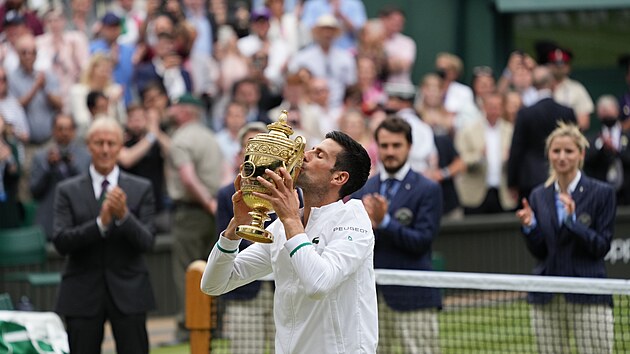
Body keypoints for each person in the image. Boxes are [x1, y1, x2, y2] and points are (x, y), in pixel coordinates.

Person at [201, 131, 377, 353]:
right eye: (312, 149)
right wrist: (234, 229)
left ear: (339, 178)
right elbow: (213, 284)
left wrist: (291, 220)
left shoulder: (353, 218)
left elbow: (319, 284)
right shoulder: (283, 226)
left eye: (319, 155)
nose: (305, 155)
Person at [52, 117, 156, 354]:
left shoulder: (141, 188)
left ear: (121, 146)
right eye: (99, 143)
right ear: (89, 145)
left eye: (111, 143)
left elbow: (147, 242)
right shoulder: (67, 190)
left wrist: (124, 217)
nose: (106, 149)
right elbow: (61, 242)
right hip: (81, 293)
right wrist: (100, 223)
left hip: (130, 292)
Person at [516, 123, 615, 354]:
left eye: (569, 151)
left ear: (581, 154)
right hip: (547, 295)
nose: (562, 157)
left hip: (589, 294)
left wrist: (573, 223)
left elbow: (600, 247)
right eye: (556, 151)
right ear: (549, 154)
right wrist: (531, 228)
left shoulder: (602, 193)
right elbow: (541, 251)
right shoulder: (539, 195)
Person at [352, 117, 442, 353]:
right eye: (384, 146)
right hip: (370, 297)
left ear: (409, 147)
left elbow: (422, 241)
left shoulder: (428, 189)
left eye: (396, 145)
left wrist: (385, 223)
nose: (390, 151)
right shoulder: (364, 189)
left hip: (414, 295)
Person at [166, 93, 224, 342]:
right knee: (214, 270)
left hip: (191, 212)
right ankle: (214, 326)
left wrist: (207, 202)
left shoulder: (181, 138)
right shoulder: (211, 137)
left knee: (186, 272)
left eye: (177, 106)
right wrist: (215, 205)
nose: (172, 109)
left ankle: (187, 329)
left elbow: (188, 179)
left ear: (187, 111)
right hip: (213, 212)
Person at [215, 121, 276, 353]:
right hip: (243, 292)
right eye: (250, 149)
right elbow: (225, 242)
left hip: (281, 289)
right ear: (240, 154)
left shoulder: (292, 194)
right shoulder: (225, 195)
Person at [507, 65, 577, 206]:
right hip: (563, 176)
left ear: (533, 85)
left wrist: (512, 182)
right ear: (552, 84)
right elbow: (576, 145)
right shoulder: (567, 112)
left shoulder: (525, 113)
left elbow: (516, 150)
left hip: (530, 180)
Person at [30, 114, 90, 240]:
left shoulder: (86, 156)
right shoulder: (40, 157)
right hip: (48, 222)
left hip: (78, 221)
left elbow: (87, 188)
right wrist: (48, 167)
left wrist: (72, 165)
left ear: (74, 131)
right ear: (53, 131)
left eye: (68, 129)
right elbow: (34, 192)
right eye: (60, 129)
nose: (64, 133)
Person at [584, 95, 630, 206]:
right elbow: (586, 161)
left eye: (610, 110)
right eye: (603, 111)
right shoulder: (592, 139)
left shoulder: (627, 136)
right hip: (600, 194)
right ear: (598, 114)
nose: (607, 114)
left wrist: (616, 150)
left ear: (617, 111)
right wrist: (602, 148)